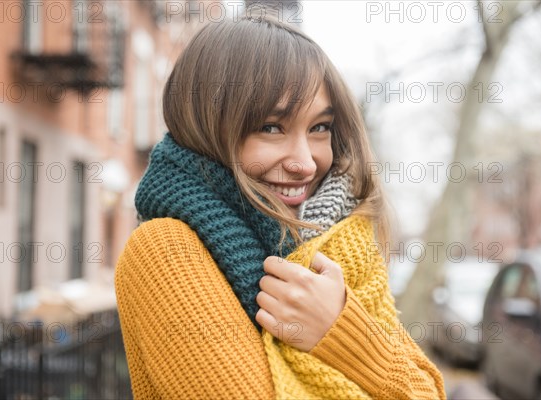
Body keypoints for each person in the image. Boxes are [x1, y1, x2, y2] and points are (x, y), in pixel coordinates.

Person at [115, 11, 446, 400]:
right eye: (271, 127)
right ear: (208, 125)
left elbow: (429, 391)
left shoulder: (341, 250)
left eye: (319, 128)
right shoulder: (164, 250)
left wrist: (342, 331)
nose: (305, 162)